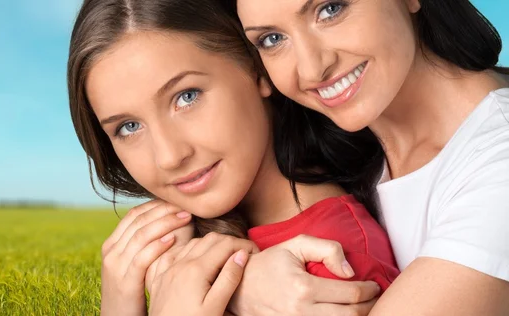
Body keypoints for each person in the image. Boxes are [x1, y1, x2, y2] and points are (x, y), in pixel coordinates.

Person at [67, 0, 400, 314]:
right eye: (128, 127)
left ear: (256, 69)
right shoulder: (171, 255)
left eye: (187, 96)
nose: (169, 156)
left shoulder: (329, 269)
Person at [217, 0, 509, 314]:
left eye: (330, 9)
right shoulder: (336, 152)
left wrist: (230, 285)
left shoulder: (499, 166)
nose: (312, 68)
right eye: (272, 39)